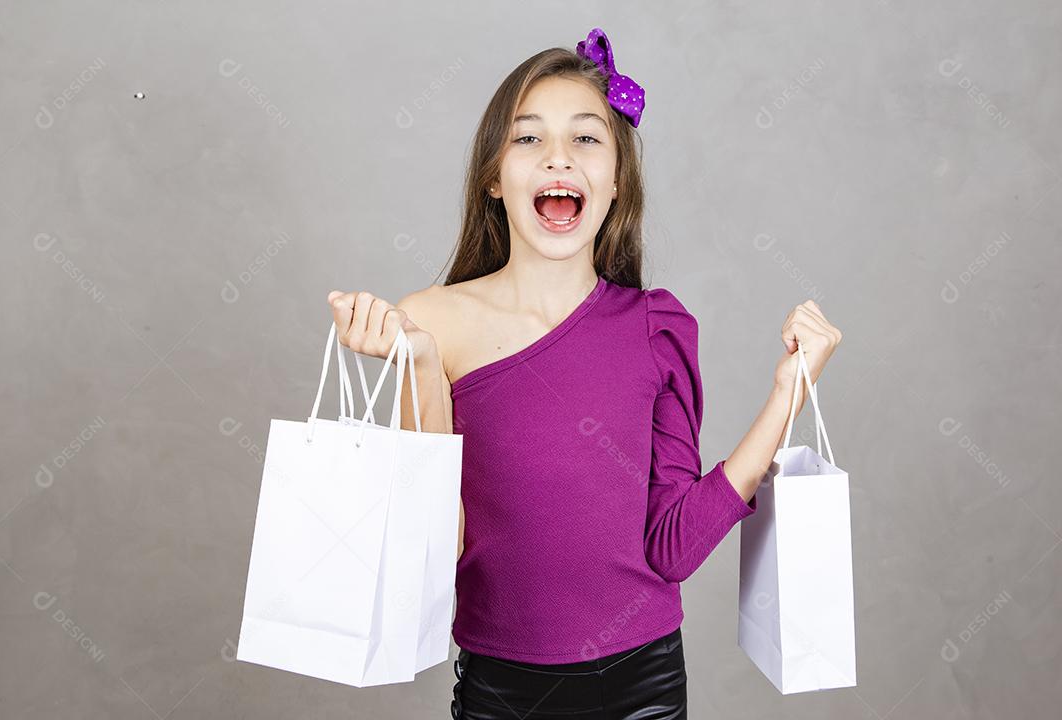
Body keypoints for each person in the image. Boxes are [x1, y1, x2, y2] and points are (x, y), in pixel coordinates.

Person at [327, 26, 842, 720]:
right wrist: (418, 367)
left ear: (616, 180)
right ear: (492, 176)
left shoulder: (658, 328)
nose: (558, 158)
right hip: (502, 692)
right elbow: (432, 552)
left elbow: (674, 548)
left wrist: (785, 395)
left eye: (586, 139)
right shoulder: (430, 324)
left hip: (646, 688)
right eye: (529, 138)